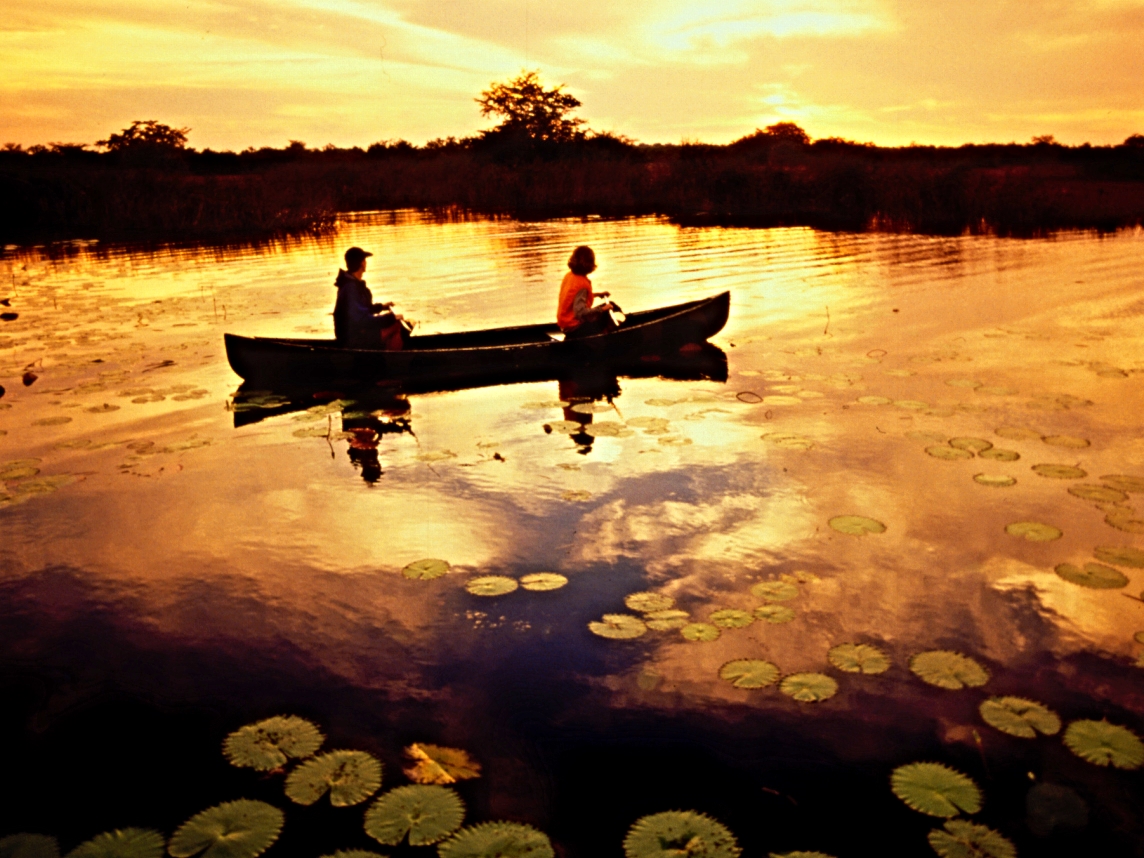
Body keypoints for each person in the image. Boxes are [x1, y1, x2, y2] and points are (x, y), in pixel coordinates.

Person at [333, 246, 409, 350]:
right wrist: (390, 318)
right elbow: (362, 320)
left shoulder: (353, 285)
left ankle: (387, 353)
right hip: (352, 339)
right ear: (361, 263)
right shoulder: (350, 289)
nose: (365, 262)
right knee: (397, 325)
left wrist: (381, 307)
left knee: (402, 323)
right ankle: (393, 360)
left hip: (358, 332)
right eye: (364, 260)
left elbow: (360, 310)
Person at [556, 246, 617, 338]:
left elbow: (575, 298)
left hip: (565, 324)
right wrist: (602, 309)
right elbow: (580, 312)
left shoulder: (570, 276)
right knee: (610, 309)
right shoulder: (582, 284)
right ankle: (613, 338)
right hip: (574, 328)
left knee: (609, 306)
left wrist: (598, 294)